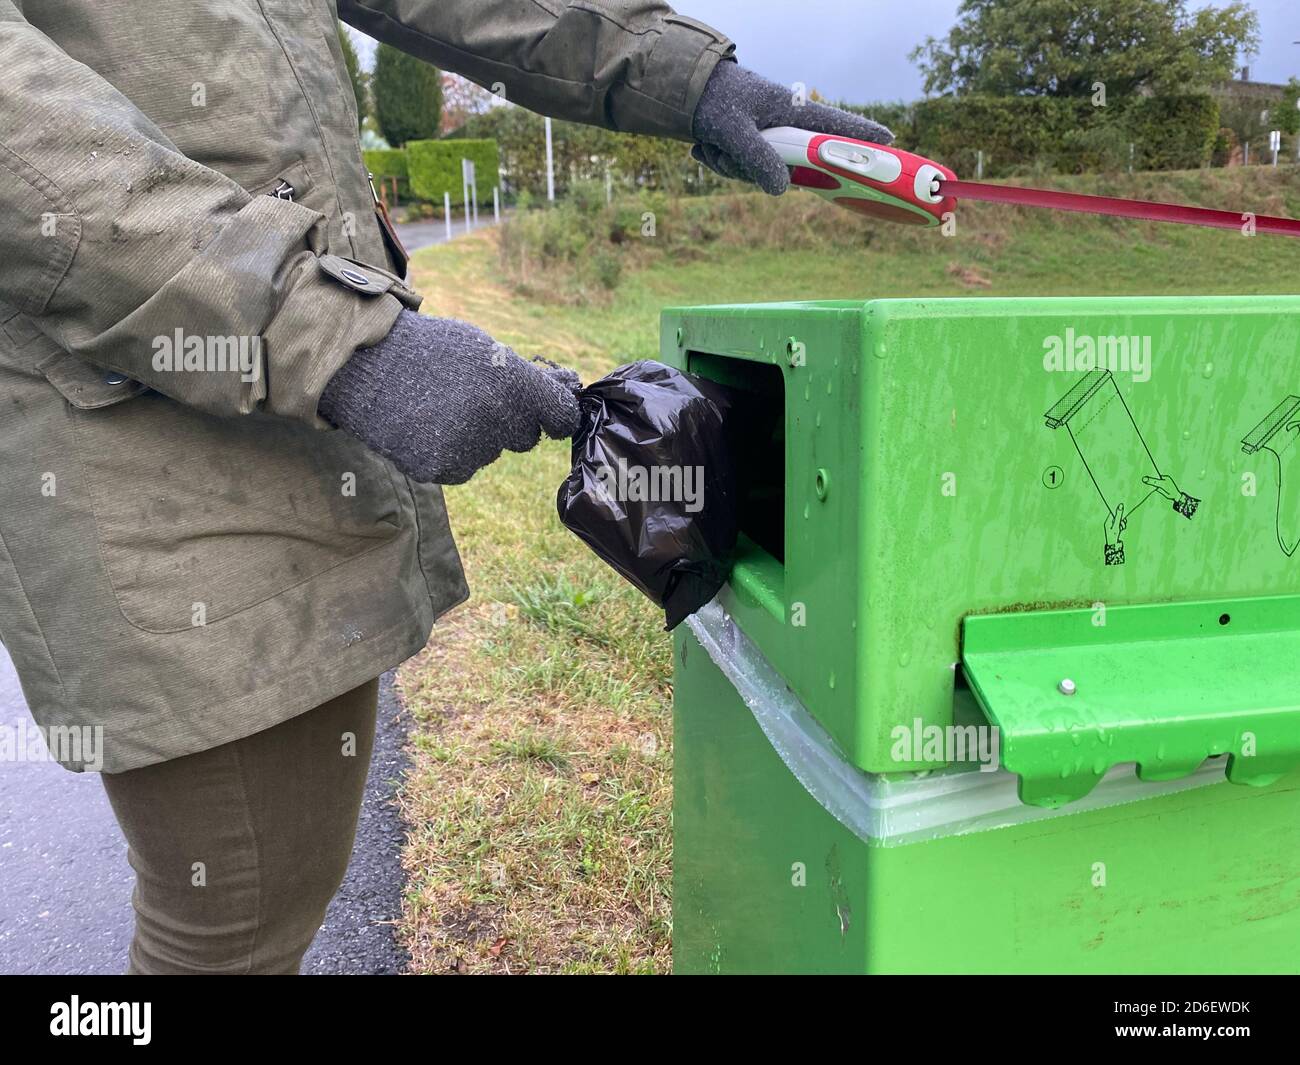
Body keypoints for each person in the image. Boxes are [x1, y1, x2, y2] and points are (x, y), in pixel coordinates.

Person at [0, 0, 891, 974]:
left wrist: (680, 76)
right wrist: (324, 331)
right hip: (135, 409)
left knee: (280, 883)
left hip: (286, 391)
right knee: (233, 914)